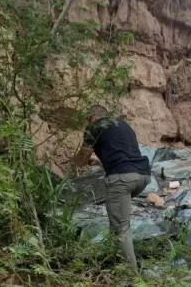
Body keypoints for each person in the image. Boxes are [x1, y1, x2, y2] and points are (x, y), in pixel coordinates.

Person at [72, 105, 151, 273]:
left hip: (121, 180)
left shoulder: (95, 127)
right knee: (119, 222)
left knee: (120, 229)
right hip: (143, 176)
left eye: (88, 119)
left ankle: (131, 277)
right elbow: (123, 156)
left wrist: (72, 168)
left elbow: (83, 156)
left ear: (93, 116)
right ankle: (117, 261)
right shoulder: (124, 126)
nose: (87, 123)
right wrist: (99, 160)